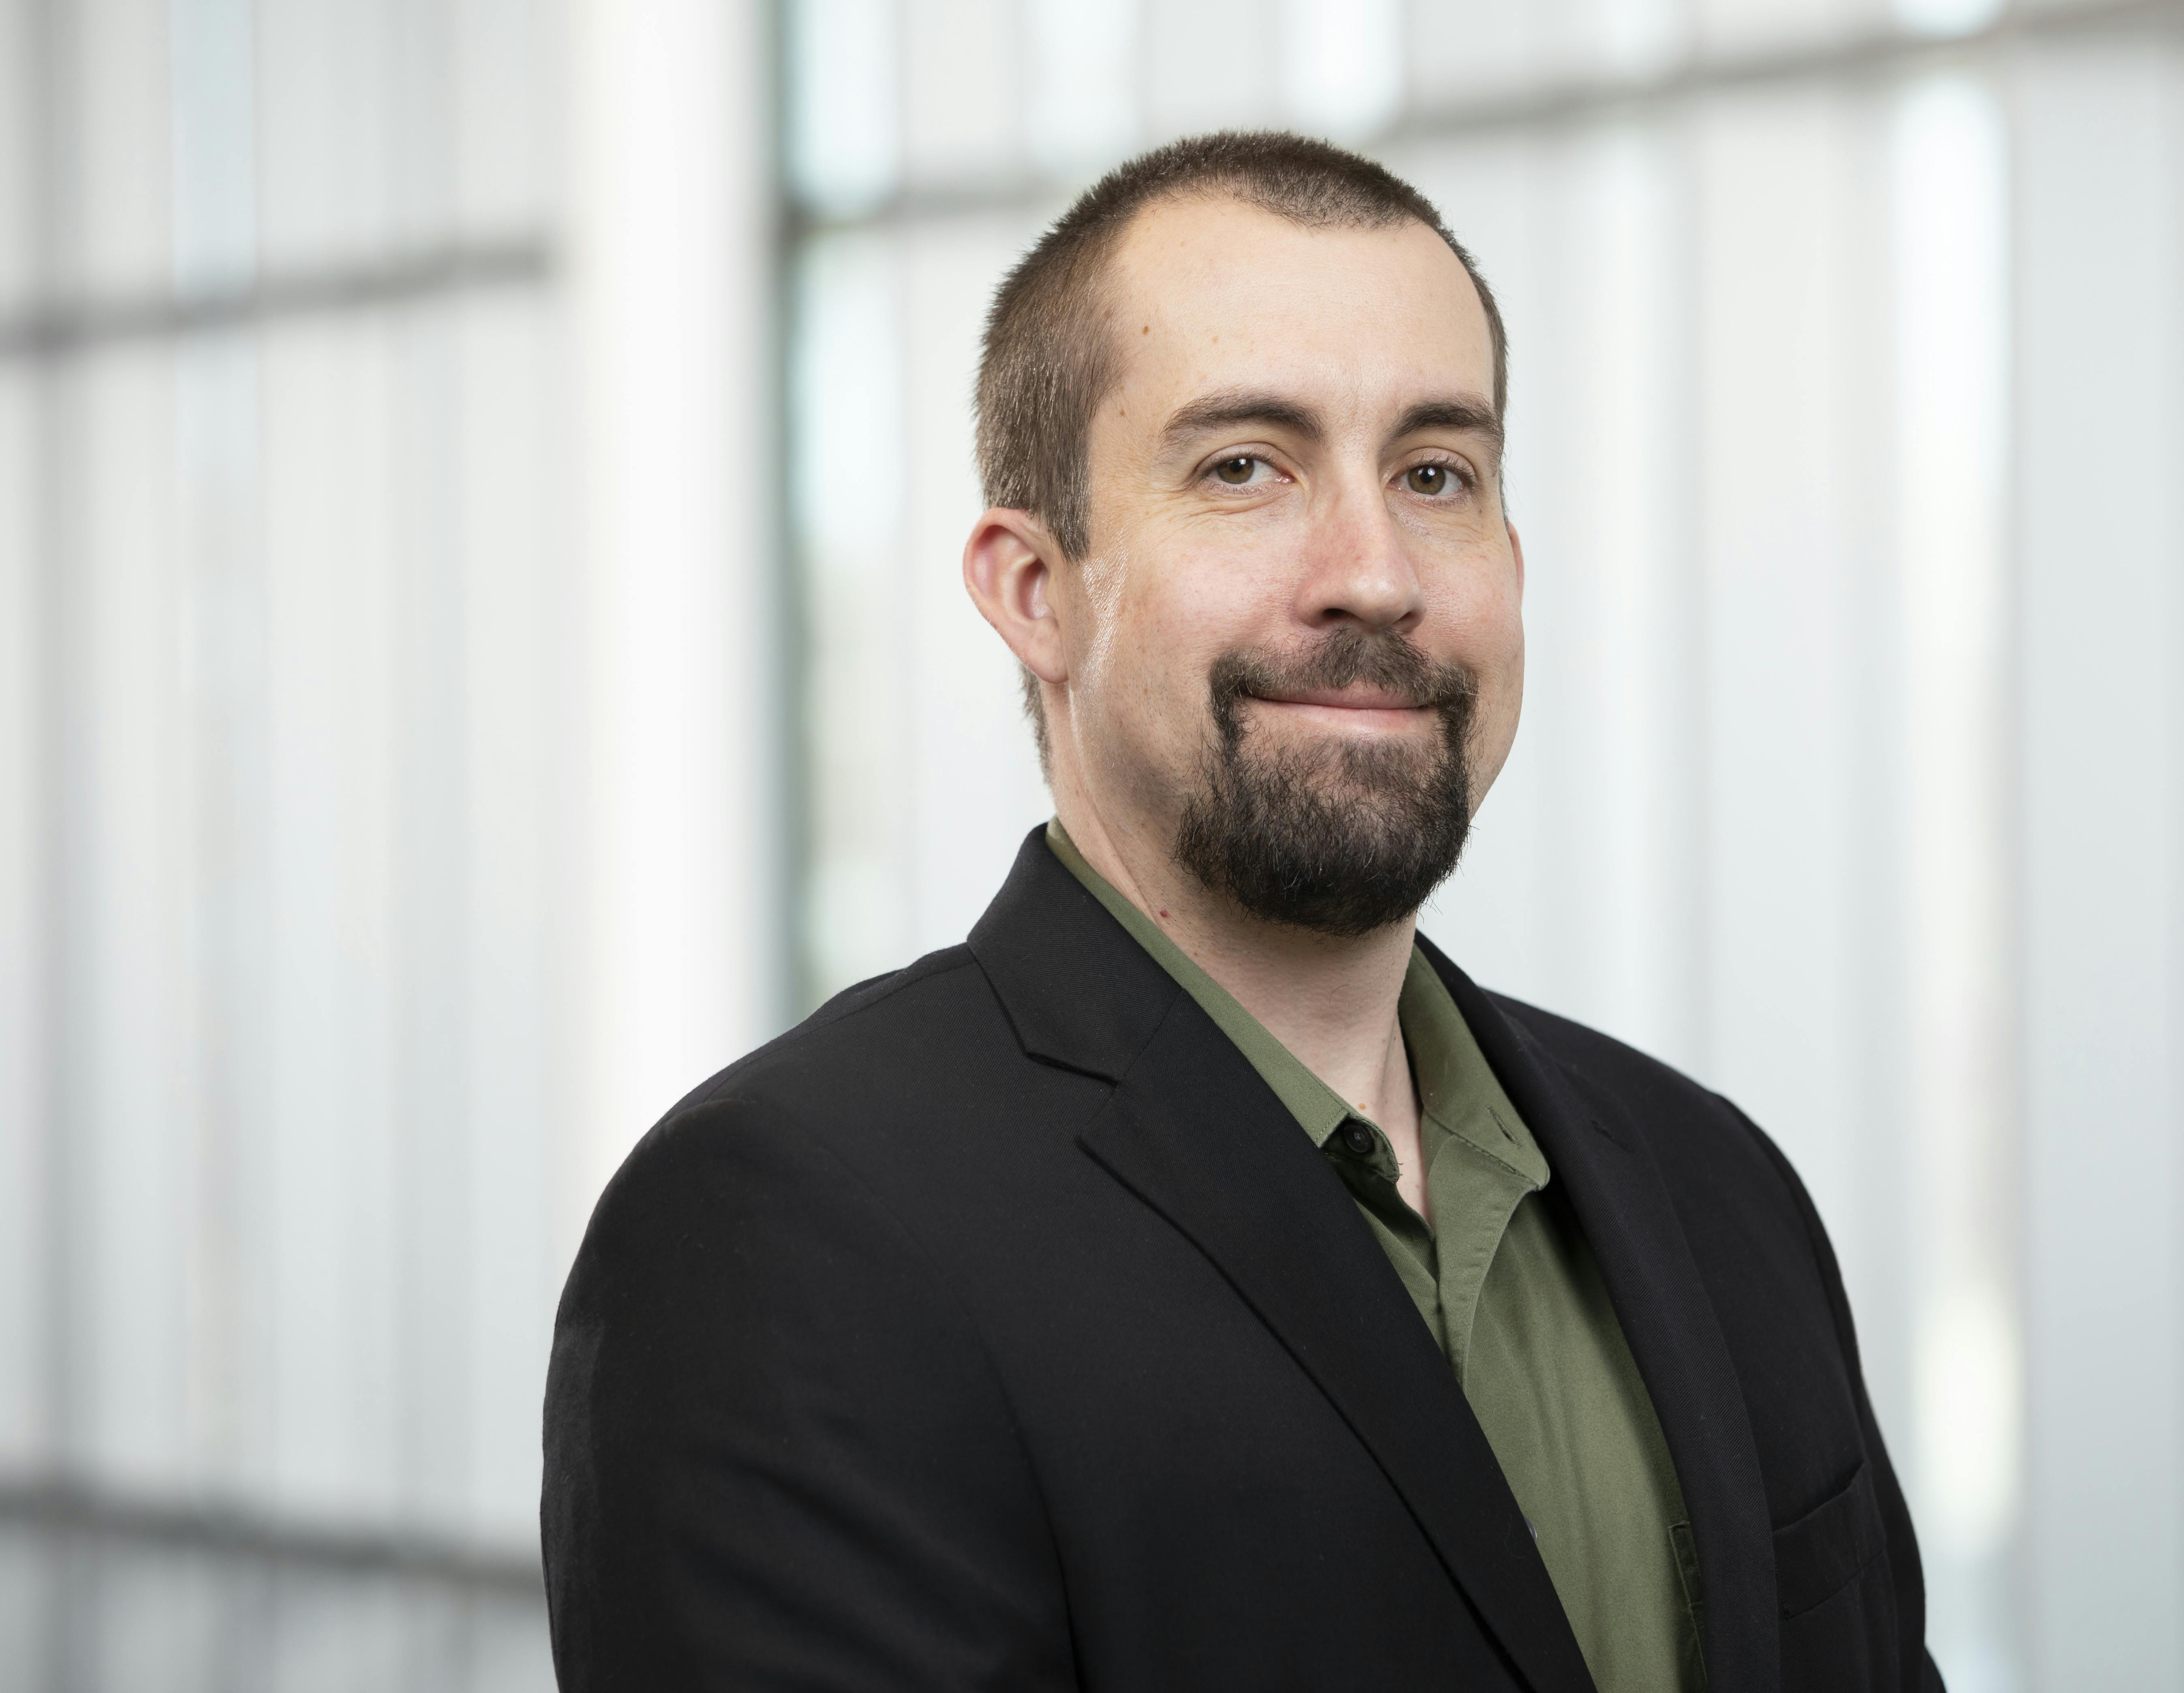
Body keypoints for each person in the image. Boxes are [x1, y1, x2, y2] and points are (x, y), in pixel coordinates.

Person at [543, 131, 1940, 1693]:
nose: (1375, 575)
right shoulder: (785, 1234)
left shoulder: (1712, 1180)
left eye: (1434, 475)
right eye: (1244, 467)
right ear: (1033, 589)